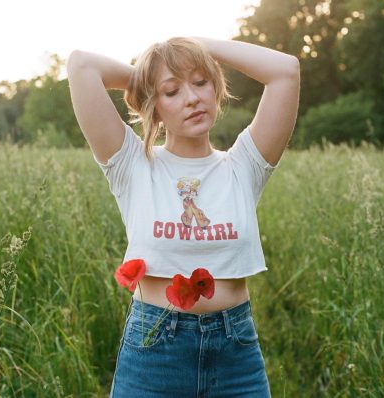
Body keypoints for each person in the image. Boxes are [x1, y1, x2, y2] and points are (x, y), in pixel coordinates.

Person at [67, 36, 300, 397]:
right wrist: (150, 78)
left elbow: (285, 71)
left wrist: (199, 46)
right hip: (154, 353)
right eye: (172, 91)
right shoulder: (133, 164)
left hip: (235, 353)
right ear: (153, 105)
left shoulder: (244, 165)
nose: (192, 98)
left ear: (216, 88)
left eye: (201, 82)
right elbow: (82, 65)